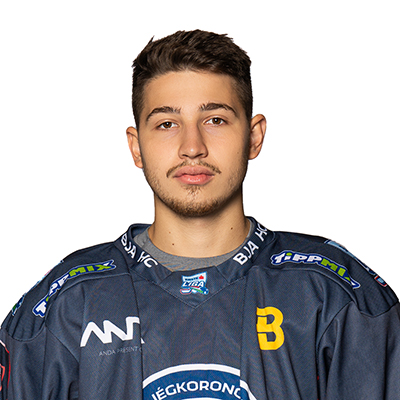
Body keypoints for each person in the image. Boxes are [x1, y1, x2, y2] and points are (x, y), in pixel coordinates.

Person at [0, 30, 399, 400]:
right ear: (136, 147)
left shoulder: (336, 293)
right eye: (167, 124)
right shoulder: (65, 303)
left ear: (254, 136)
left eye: (215, 120)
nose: (192, 146)